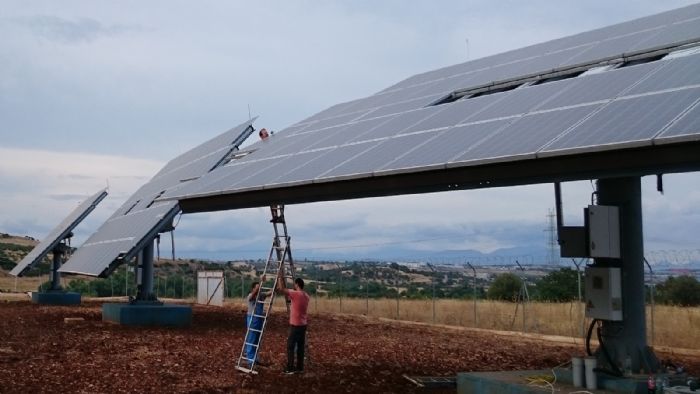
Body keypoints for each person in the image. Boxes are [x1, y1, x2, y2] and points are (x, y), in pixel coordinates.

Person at [276, 272, 310, 374]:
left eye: (295, 284)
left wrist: (279, 277)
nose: (294, 286)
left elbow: (282, 289)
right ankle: (300, 367)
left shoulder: (295, 294)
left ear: (297, 285)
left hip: (295, 325)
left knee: (290, 345)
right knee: (300, 346)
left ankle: (290, 367)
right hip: (303, 325)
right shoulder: (306, 296)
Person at [245, 277, 271, 367]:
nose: (259, 289)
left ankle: (255, 358)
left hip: (259, 319)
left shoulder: (261, 295)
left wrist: (276, 286)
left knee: (257, 340)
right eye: (257, 287)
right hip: (252, 319)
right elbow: (253, 294)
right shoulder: (250, 296)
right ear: (253, 289)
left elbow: (269, 293)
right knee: (251, 339)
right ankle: (250, 360)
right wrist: (261, 282)